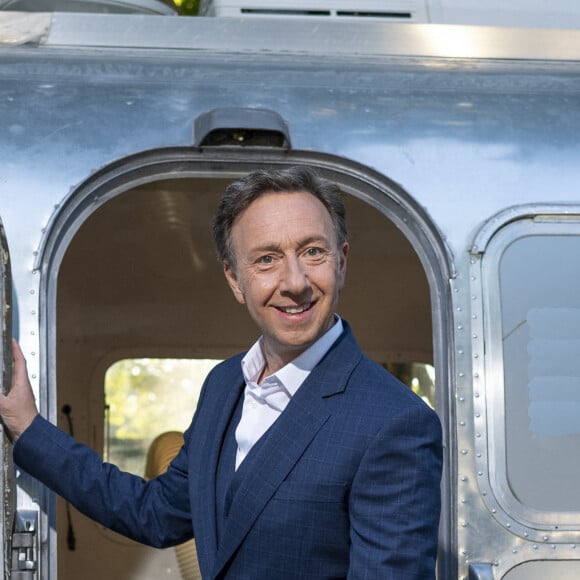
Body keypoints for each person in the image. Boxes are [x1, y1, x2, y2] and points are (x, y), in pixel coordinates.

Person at [0, 166, 443, 579]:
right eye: (267, 259)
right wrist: (30, 430)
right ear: (235, 280)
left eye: (312, 252)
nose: (294, 282)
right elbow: (156, 512)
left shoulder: (396, 422)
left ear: (341, 261)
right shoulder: (225, 384)